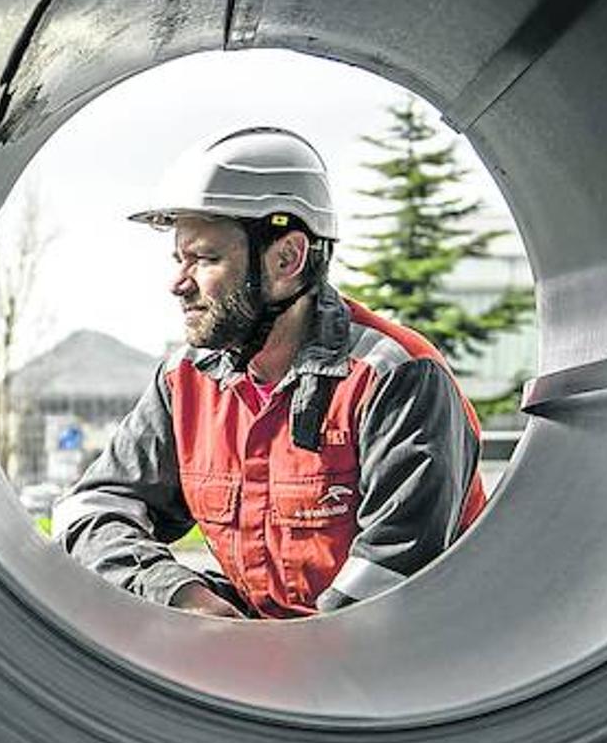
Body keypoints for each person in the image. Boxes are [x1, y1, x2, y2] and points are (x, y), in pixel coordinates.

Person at [53, 127, 487, 619]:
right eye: (179, 258)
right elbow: (89, 509)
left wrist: (267, 668)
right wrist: (181, 596)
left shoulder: (394, 377)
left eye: (205, 259)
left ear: (286, 259)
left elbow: (393, 583)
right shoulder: (185, 382)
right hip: (279, 661)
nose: (178, 283)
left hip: (403, 670)